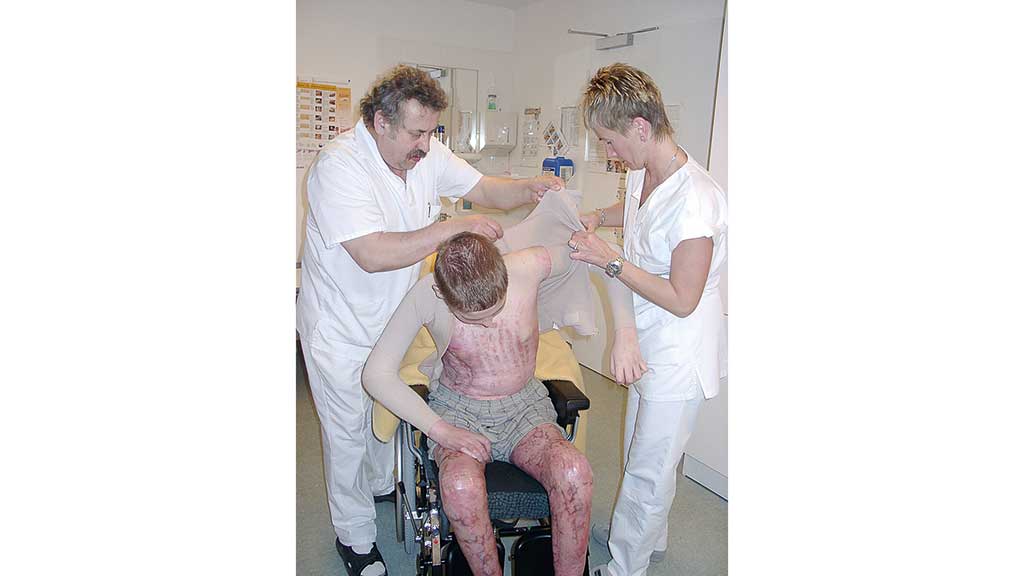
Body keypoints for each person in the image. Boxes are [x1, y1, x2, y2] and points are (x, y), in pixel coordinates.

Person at [296, 64, 564, 576]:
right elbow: (372, 253)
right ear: (381, 122)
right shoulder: (338, 167)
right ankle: (355, 539)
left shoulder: (424, 153)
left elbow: (485, 187)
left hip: (389, 318)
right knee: (346, 434)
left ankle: (380, 486)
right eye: (417, 133)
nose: (426, 144)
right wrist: (451, 228)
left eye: (431, 132)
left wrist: (529, 187)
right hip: (340, 327)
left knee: (383, 417)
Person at [362, 193, 645, 576]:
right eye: (476, 319)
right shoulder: (427, 293)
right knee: (459, 487)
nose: (490, 324)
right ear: (445, 295)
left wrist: (625, 334)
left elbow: (606, 256)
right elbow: (376, 373)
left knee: (574, 473)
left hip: (524, 409)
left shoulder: (528, 266)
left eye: (495, 311)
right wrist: (440, 430)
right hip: (458, 411)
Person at [568, 63, 728, 576]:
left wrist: (610, 260)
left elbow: (683, 299)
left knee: (648, 470)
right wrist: (599, 217)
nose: (608, 153)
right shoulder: (643, 172)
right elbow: (635, 208)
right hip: (646, 338)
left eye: (609, 141)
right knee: (642, 450)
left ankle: (625, 567)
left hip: (679, 351)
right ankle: (649, 540)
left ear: (639, 127)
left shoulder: (697, 201)